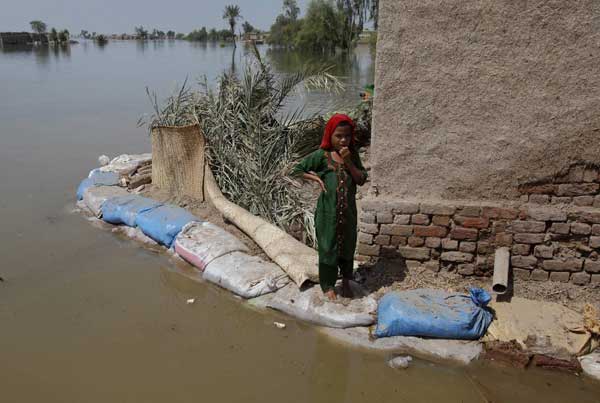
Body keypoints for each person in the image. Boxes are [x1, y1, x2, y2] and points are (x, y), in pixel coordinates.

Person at [292, 114, 367, 300]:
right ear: (329, 135)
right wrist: (316, 178)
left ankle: (347, 280)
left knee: (348, 246)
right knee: (328, 248)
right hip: (327, 214)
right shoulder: (321, 156)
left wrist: (348, 161)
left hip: (348, 214)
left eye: (347, 136)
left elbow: (361, 179)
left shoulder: (353, 155)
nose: (343, 140)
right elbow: (296, 169)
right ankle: (328, 285)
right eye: (339, 136)